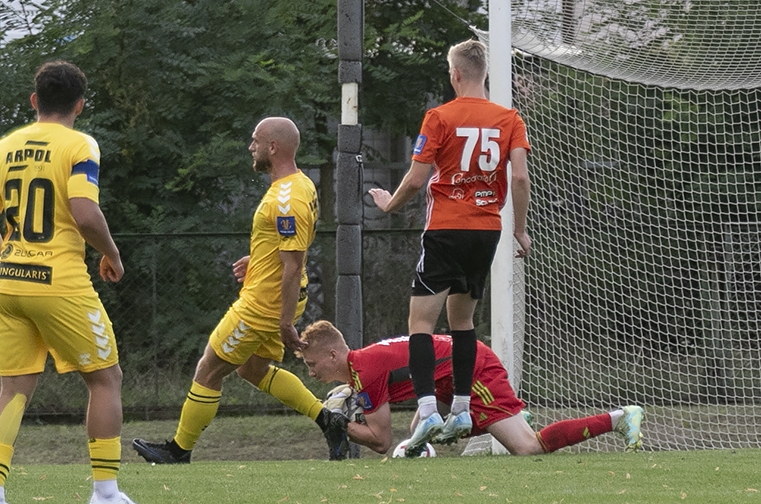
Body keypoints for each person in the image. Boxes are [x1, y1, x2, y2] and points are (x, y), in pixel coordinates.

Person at [0, 60, 151, 504]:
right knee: (105, 378)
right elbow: (86, 215)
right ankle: (106, 493)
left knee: (12, 390)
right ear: (79, 105)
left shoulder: (4, 147)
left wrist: (11, 263)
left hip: (9, 282)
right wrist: (112, 253)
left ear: (34, 101)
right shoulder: (79, 144)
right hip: (60, 281)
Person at [132, 117, 349, 464]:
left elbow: (293, 264)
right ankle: (329, 420)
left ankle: (178, 450)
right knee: (251, 369)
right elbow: (290, 247)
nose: (251, 147)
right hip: (274, 295)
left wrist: (283, 323)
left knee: (209, 367)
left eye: (255, 141)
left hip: (263, 304)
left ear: (273, 147)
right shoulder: (301, 184)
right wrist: (259, 258)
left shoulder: (286, 198)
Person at [368, 39, 533, 452]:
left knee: (420, 323)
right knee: (463, 321)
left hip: (445, 228)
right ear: (485, 74)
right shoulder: (509, 117)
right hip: (486, 230)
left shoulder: (439, 117)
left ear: (455, 74)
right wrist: (520, 230)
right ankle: (461, 405)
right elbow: (519, 179)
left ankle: (427, 409)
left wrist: (390, 204)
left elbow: (416, 178)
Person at [299, 320, 644, 457]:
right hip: (449, 382)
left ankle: (619, 418)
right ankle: (509, 414)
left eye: (313, 364)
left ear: (333, 354)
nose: (312, 372)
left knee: (526, 447)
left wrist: (333, 419)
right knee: (418, 432)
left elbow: (380, 441)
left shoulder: (365, 371)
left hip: (473, 370)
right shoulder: (363, 366)